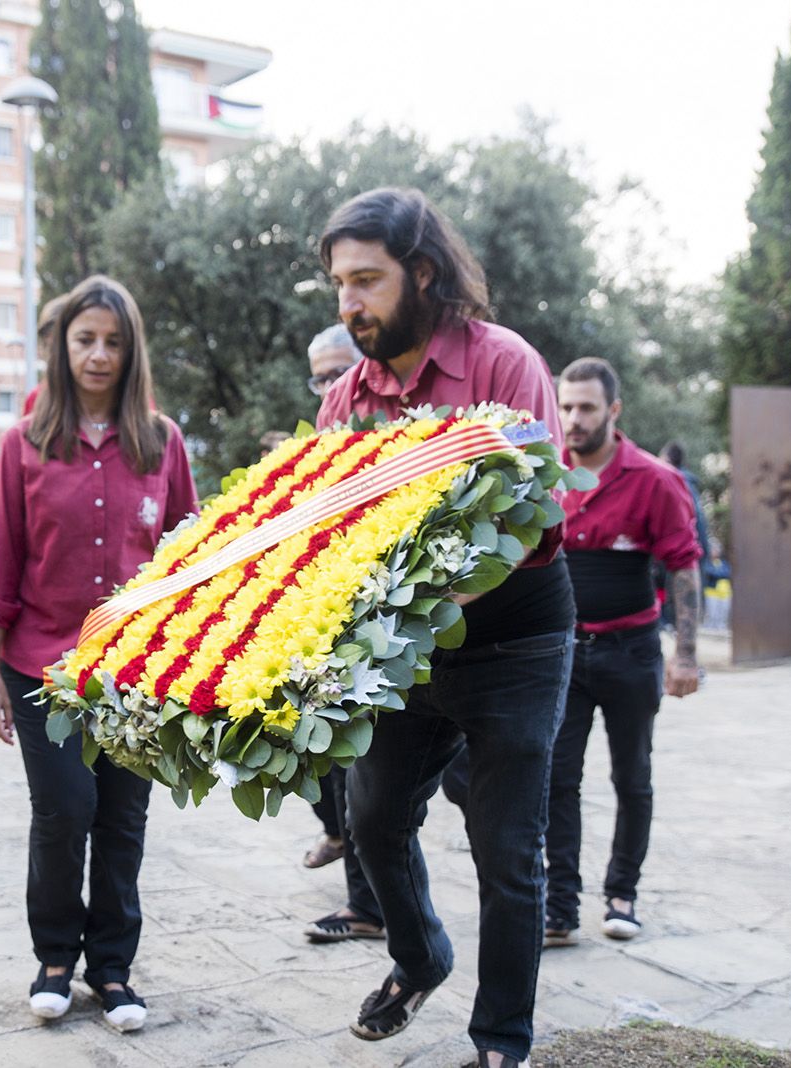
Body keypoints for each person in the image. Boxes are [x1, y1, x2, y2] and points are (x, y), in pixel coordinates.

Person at [315, 188, 574, 1068]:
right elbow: (329, 533)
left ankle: (502, 1040)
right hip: (409, 651)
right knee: (374, 814)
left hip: (516, 643)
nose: (350, 304)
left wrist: (432, 590)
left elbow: (536, 517)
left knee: (508, 851)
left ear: (422, 273)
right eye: (338, 286)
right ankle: (419, 956)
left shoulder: (504, 365)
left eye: (366, 281)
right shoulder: (347, 400)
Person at [0, 275, 196, 1033]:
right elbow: (1, 562)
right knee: (66, 810)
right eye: (84, 339)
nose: (99, 355)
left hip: (137, 674)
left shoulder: (161, 443)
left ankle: (113, 969)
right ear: (62, 348)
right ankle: (55, 959)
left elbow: (186, 557)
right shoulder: (24, 443)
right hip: (40, 666)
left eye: (113, 341)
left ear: (132, 350)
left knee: (124, 821)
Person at [544, 358, 701, 949]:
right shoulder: (546, 473)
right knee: (557, 780)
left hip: (633, 652)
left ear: (613, 411)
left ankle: (621, 895)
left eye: (585, 407)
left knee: (632, 778)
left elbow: (684, 566)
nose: (573, 419)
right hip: (562, 653)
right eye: (565, 407)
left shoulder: (655, 479)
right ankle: (558, 906)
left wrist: (684, 656)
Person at [297, 323, 386, 945]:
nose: (329, 387)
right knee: (334, 763)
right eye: (319, 377)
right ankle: (366, 903)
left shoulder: (393, 440)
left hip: (396, 636)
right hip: (330, 634)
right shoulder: (319, 450)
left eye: (337, 373)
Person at [657, 441, 711, 630]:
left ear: (667, 460)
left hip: (683, 558)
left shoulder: (676, 483)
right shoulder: (689, 485)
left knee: (677, 612)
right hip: (695, 555)